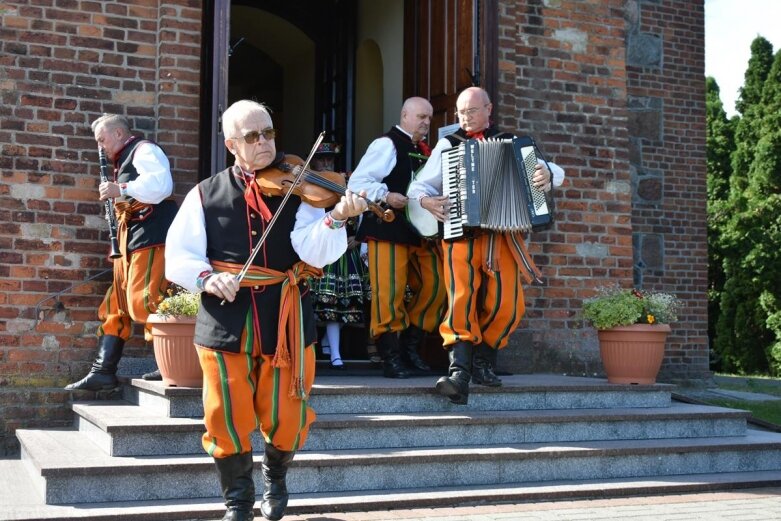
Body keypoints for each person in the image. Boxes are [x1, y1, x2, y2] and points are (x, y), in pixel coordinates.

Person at [165, 100, 367, 521]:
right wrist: (206, 278)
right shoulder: (205, 193)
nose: (265, 143)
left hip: (287, 316)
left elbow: (313, 249)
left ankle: (276, 478)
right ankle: (237, 503)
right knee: (226, 415)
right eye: (253, 137)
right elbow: (178, 256)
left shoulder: (300, 187)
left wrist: (337, 218)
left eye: (269, 133)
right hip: (225, 320)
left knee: (288, 413)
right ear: (231, 144)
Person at [407, 86, 565, 404]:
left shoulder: (513, 143)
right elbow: (419, 185)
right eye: (461, 113)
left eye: (471, 111)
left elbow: (556, 172)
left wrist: (546, 174)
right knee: (460, 299)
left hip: (502, 237)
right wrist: (427, 201)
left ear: (488, 109)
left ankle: (484, 362)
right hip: (460, 234)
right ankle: (458, 373)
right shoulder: (448, 146)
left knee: (509, 304)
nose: (465, 118)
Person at [65, 114, 177, 391]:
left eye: (102, 139)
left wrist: (121, 188)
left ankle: (169, 366)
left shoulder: (144, 150)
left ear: (117, 133)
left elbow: (162, 187)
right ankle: (103, 371)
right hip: (130, 238)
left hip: (152, 235)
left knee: (146, 298)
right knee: (115, 303)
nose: (100, 146)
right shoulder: (121, 159)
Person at [347, 97, 447, 379]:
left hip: (419, 231)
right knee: (388, 292)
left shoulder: (423, 149)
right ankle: (391, 355)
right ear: (404, 115)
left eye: (429, 117)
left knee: (437, 285)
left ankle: (409, 345)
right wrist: (387, 195)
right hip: (387, 227)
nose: (426, 122)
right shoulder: (386, 144)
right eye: (420, 116)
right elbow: (357, 184)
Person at [308, 143, 371, 369]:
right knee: (330, 305)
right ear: (314, 162)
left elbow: (366, 211)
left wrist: (360, 237)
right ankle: (335, 353)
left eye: (330, 160)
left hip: (349, 253)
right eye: (322, 159)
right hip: (326, 254)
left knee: (354, 303)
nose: (327, 163)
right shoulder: (309, 186)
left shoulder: (347, 182)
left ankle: (328, 343)